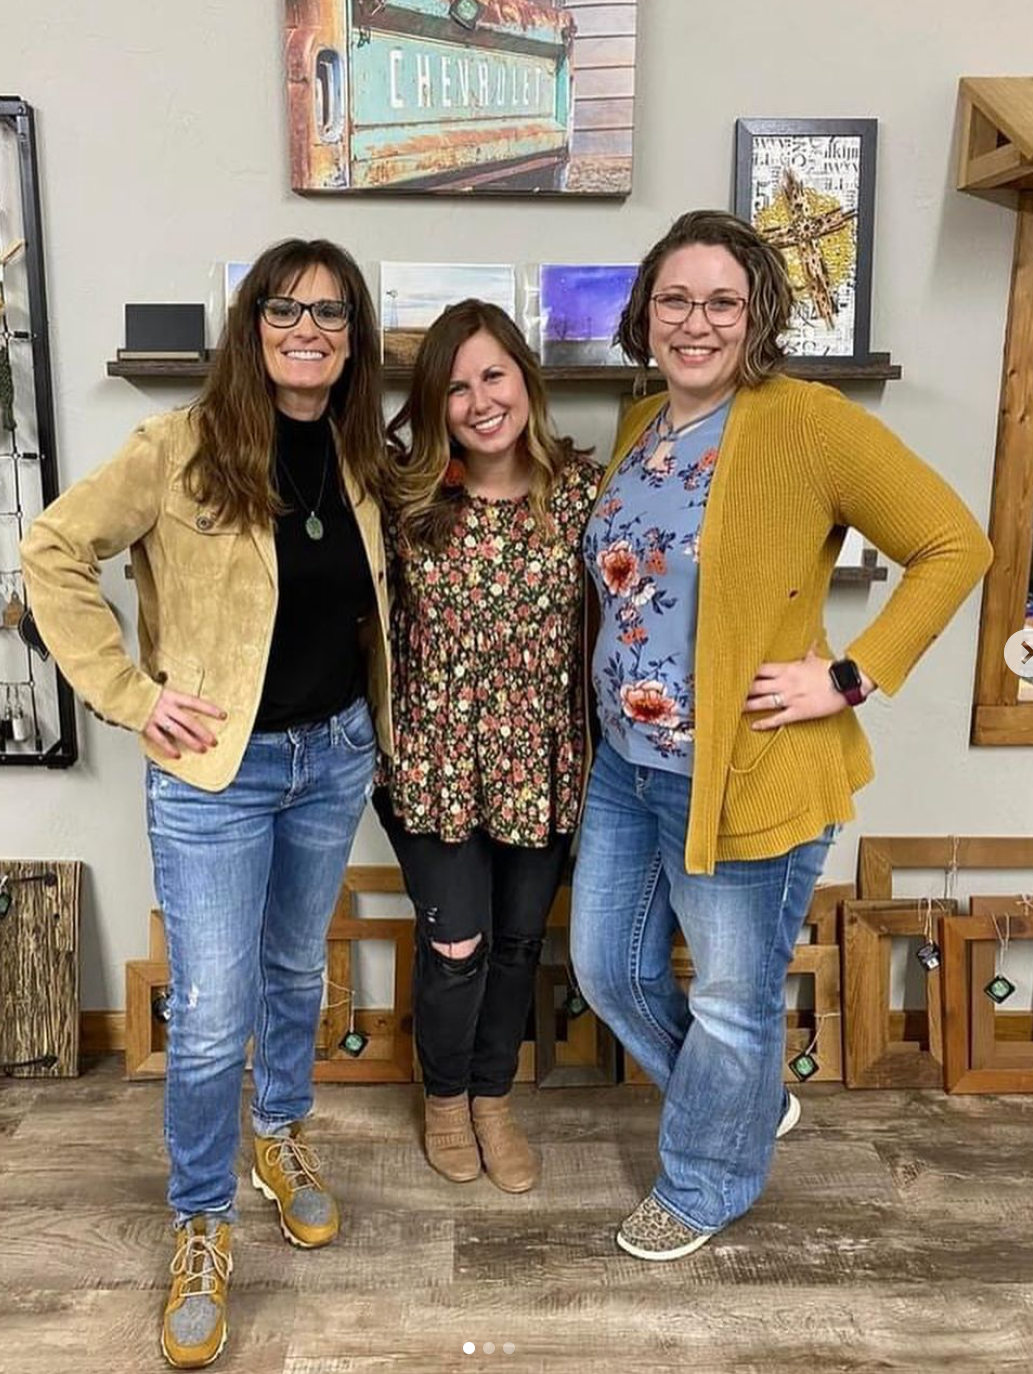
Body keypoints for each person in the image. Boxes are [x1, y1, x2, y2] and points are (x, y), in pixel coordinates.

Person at [571, 210, 992, 1262]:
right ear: (645, 314)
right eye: (675, 299)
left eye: (721, 300)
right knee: (606, 969)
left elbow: (954, 542)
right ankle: (743, 1100)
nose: (696, 321)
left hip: (748, 769)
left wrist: (849, 675)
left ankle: (708, 1180)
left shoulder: (804, 419)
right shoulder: (642, 424)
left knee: (730, 996)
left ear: (756, 313)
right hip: (627, 767)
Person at [21, 238, 390, 1368]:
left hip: (331, 759)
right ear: (252, 324)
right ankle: (200, 1220)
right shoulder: (176, 448)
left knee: (292, 973)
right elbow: (51, 551)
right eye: (285, 310)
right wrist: (133, 696)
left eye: (330, 315)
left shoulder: (360, 448)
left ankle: (280, 1139)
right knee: (213, 1009)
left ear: (352, 336)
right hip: (215, 779)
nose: (307, 331)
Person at [374, 299, 597, 1193]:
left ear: (525, 380)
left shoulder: (581, 491)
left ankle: (494, 1099)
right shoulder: (404, 496)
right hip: (431, 761)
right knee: (456, 944)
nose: (478, 400)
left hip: (541, 761)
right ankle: (444, 1096)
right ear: (434, 404)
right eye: (455, 386)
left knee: (513, 944)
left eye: (493, 375)